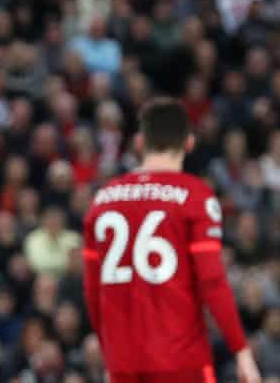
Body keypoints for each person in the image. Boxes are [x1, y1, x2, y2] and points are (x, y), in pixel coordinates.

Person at [83, 98, 261, 383]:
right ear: (189, 143)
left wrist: (109, 354)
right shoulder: (195, 196)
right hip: (181, 360)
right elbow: (212, 282)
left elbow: (93, 290)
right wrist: (240, 349)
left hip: (123, 363)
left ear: (139, 143)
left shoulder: (102, 200)